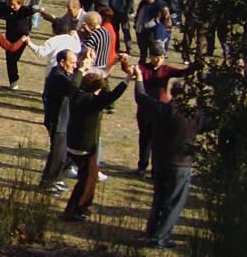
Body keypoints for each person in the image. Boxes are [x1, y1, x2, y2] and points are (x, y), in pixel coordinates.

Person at [134, 69, 209, 248]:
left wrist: (138, 78)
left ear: (171, 93)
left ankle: (152, 231)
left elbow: (141, 97)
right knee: (174, 202)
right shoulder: (195, 116)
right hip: (181, 164)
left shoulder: (162, 109)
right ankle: (161, 237)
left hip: (160, 161)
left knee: (159, 197)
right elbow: (213, 121)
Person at [64, 54, 135, 221]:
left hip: (71, 143)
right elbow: (114, 95)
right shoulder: (94, 102)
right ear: (97, 89)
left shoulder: (75, 96)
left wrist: (81, 69)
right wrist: (128, 78)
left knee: (89, 177)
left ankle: (82, 208)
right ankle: (76, 209)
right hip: (87, 147)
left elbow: (74, 83)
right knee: (87, 180)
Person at [134, 43, 195, 177]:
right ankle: (142, 166)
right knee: (144, 139)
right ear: (151, 56)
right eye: (157, 57)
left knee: (158, 140)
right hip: (145, 110)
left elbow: (182, 72)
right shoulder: (143, 68)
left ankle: (156, 169)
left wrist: (194, 66)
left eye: (161, 57)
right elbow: (128, 70)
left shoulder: (166, 69)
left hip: (161, 110)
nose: (159, 60)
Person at [40, 48, 79, 194]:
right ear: (62, 62)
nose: (75, 66)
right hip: (57, 120)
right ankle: (48, 181)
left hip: (64, 119)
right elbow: (72, 88)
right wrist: (81, 71)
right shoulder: (57, 76)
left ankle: (56, 178)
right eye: (72, 62)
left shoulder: (64, 73)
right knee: (58, 154)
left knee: (62, 154)